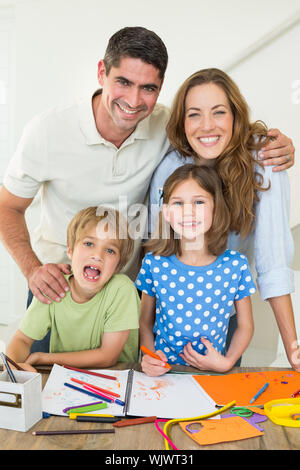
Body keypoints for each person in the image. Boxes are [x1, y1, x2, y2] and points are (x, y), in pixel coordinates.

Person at [0, 27, 295, 309]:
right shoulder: (47, 131)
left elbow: (214, 134)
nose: (133, 101)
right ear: (102, 72)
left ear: (160, 88)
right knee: (39, 362)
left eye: (148, 88)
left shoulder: (167, 127)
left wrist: (269, 144)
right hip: (60, 288)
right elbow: (7, 207)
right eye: (124, 82)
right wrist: (33, 270)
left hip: (128, 294)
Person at [149, 68, 300, 371]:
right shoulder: (169, 171)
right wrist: (148, 351)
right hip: (167, 329)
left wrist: (295, 354)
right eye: (194, 114)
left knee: (219, 409)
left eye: (219, 112)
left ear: (235, 116)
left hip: (223, 322)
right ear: (182, 121)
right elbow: (156, 254)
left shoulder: (264, 162)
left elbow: (274, 263)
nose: (207, 126)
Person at [136, 164, 255, 376]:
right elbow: (145, 323)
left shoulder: (236, 265)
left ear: (216, 208)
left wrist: (227, 362)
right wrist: (149, 357)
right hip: (164, 376)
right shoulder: (154, 264)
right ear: (166, 212)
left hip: (213, 375)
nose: (188, 212)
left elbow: (245, 326)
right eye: (178, 203)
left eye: (199, 202)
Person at [5, 206, 140, 372]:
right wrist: (13, 368)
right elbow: (22, 340)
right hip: (66, 381)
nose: (97, 255)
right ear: (70, 250)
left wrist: (44, 358)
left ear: (118, 265)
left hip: (116, 381)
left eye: (110, 250)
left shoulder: (122, 290)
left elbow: (108, 356)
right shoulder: (54, 287)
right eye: (89, 243)